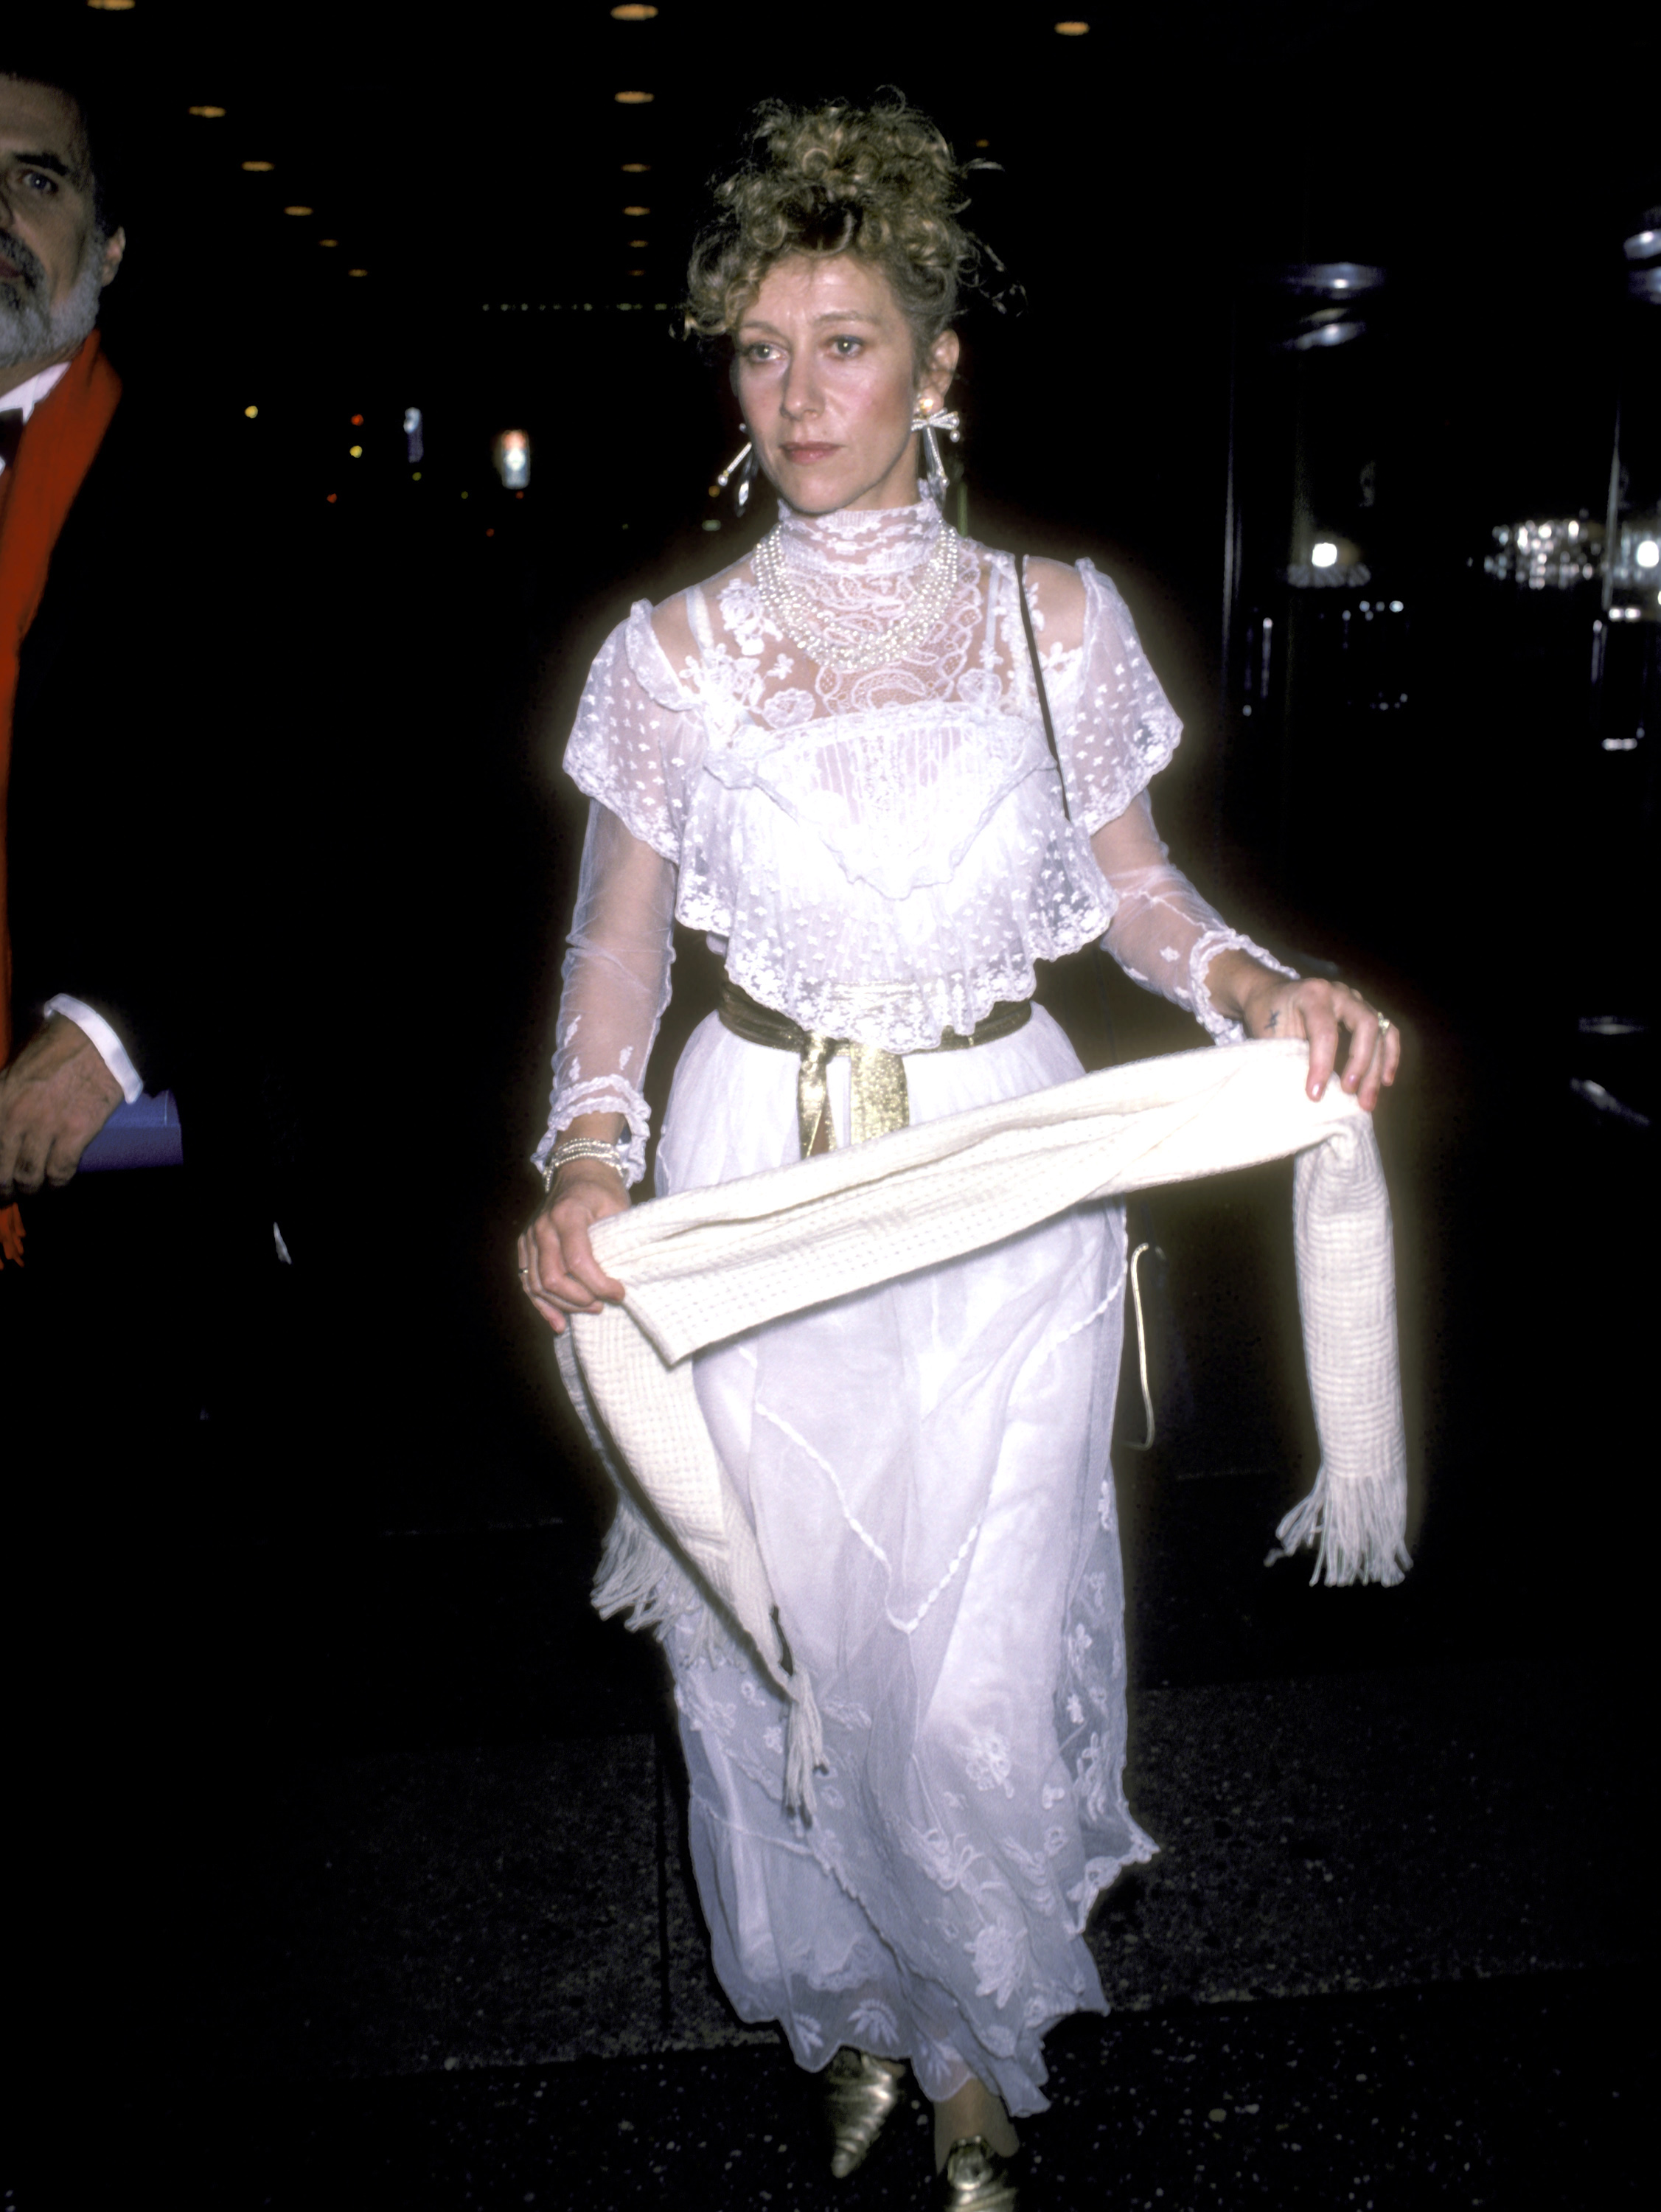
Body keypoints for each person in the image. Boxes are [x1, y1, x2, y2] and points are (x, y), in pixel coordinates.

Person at [519, 97, 1399, 2209]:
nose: (797, 393)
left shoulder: (1055, 621)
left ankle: (975, 2032)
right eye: (761, 350)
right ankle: (844, 2000)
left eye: (844, 345)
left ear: (937, 369)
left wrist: (1264, 990)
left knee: (984, 1627)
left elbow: (1138, 896)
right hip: (759, 1168)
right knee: (789, 1623)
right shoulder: (673, 654)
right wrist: (586, 1154)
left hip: (1006, 1164)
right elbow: (619, 942)